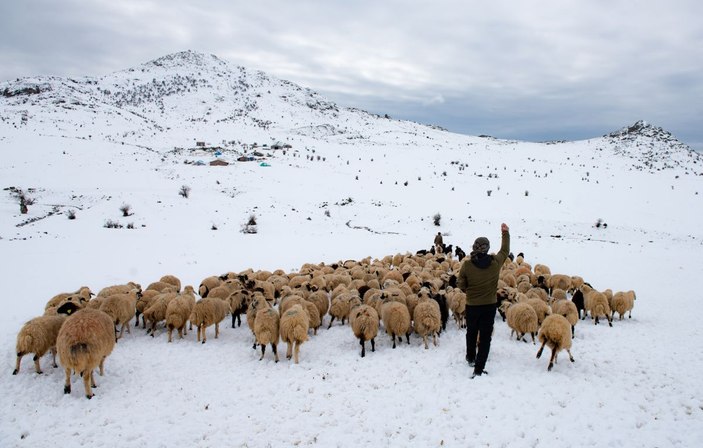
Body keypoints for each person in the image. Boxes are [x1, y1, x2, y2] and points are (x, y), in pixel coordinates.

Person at [457, 223, 510, 378]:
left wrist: (469, 290)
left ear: (474, 247)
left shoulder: (467, 264)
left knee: (471, 332)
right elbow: (505, 251)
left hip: (472, 305)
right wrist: (505, 233)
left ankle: (470, 357)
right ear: (487, 248)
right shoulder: (495, 263)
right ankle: (479, 368)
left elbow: (460, 284)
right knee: (485, 337)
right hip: (489, 306)